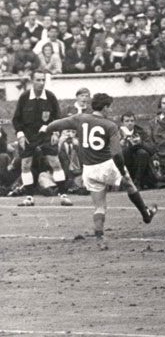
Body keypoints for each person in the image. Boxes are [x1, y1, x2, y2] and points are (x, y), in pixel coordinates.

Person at [46, 93, 158, 249]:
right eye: (109, 107)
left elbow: (55, 125)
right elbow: (117, 154)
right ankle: (146, 215)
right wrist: (121, 170)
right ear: (105, 107)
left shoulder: (80, 118)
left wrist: (47, 129)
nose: (110, 111)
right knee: (130, 184)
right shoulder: (110, 125)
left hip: (89, 170)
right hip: (107, 164)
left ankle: (99, 237)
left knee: (99, 206)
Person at [12, 68, 72, 206]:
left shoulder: (50, 97)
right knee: (25, 164)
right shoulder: (24, 97)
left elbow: (57, 117)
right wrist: (20, 135)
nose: (41, 83)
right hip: (28, 136)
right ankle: (29, 197)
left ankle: (63, 195)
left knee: (55, 162)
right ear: (32, 81)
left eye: (43, 80)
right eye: (38, 80)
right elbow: (16, 119)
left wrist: (56, 132)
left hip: (46, 135)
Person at [119, 112, 156, 190]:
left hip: (139, 165)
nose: (130, 123)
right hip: (124, 163)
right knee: (125, 152)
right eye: (127, 121)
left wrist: (141, 143)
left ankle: (137, 183)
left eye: (132, 121)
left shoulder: (141, 132)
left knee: (142, 153)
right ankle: (125, 182)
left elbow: (152, 149)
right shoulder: (116, 133)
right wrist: (120, 145)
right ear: (122, 123)